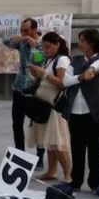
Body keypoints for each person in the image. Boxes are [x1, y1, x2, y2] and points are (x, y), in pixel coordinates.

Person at [63, 29, 99, 191]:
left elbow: (98, 66)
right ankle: (76, 181)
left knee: (94, 149)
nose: (79, 43)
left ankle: (95, 182)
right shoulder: (75, 60)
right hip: (75, 111)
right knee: (76, 148)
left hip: (92, 112)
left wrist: (91, 70)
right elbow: (65, 81)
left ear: (91, 43)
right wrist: (81, 77)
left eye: (82, 40)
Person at [26, 32, 72, 183]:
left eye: (48, 47)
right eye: (44, 47)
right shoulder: (50, 60)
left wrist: (43, 73)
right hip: (44, 104)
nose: (45, 50)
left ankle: (68, 174)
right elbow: (46, 79)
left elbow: (61, 83)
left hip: (55, 106)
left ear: (57, 45)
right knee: (50, 142)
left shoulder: (62, 60)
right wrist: (36, 74)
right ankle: (52, 171)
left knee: (58, 144)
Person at [4, 18, 46, 169]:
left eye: (27, 30)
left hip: (35, 89)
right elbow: (6, 42)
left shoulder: (42, 44)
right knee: (17, 123)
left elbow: (39, 62)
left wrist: (33, 46)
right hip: (19, 87)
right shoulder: (22, 41)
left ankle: (40, 155)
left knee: (38, 124)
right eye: (22, 30)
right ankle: (19, 153)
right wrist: (24, 38)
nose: (23, 33)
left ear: (35, 29)